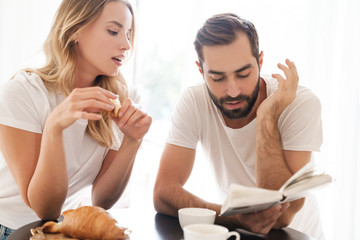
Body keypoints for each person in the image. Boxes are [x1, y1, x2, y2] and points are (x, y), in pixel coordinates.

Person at [153, 13, 324, 239]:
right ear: (200, 70)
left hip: (294, 234)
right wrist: (231, 217)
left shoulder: (298, 103)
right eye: (217, 78)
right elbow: (163, 193)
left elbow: (282, 216)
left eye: (243, 74)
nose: (233, 91)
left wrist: (267, 116)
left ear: (260, 61)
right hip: (240, 232)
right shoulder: (195, 100)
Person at [0, 0, 152, 239]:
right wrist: (54, 128)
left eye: (129, 34)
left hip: (65, 229)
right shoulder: (23, 92)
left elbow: (102, 200)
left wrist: (132, 141)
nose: (126, 44)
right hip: (10, 231)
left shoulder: (122, 98)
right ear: (75, 30)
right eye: (114, 31)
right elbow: (44, 209)